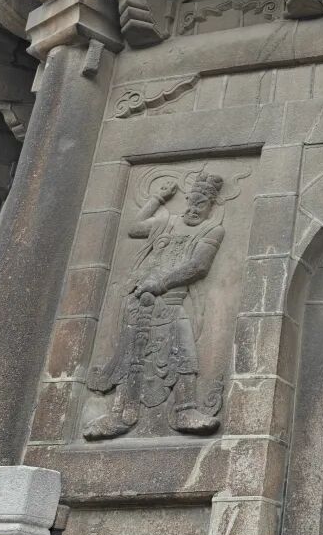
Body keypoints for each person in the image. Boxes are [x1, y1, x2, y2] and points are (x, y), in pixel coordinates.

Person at [84, 171, 225, 440]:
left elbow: (199, 266)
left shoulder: (212, 230)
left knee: (185, 352)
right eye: (192, 202)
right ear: (187, 200)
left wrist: (161, 284)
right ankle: (120, 413)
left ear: (212, 206)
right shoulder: (167, 222)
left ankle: (184, 410)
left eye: (202, 204)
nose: (195, 209)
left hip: (170, 298)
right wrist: (157, 198)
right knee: (129, 355)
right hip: (139, 297)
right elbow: (134, 227)